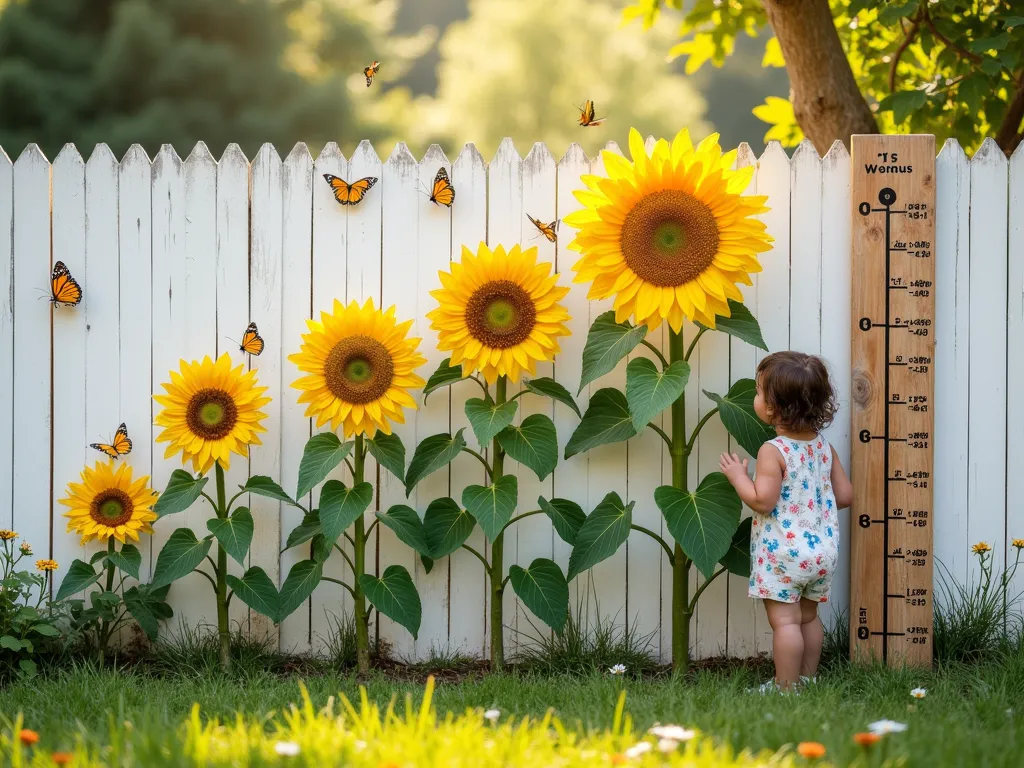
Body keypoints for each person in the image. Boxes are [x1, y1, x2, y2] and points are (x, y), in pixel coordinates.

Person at [719, 351, 853, 692]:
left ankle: (786, 688)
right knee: (808, 618)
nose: (757, 398)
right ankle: (809, 679)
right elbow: (846, 495)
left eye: (760, 392)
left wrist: (738, 478)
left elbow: (762, 500)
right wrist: (810, 508)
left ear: (773, 408)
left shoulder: (772, 450)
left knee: (785, 624)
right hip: (822, 552)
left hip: (783, 556)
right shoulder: (824, 448)